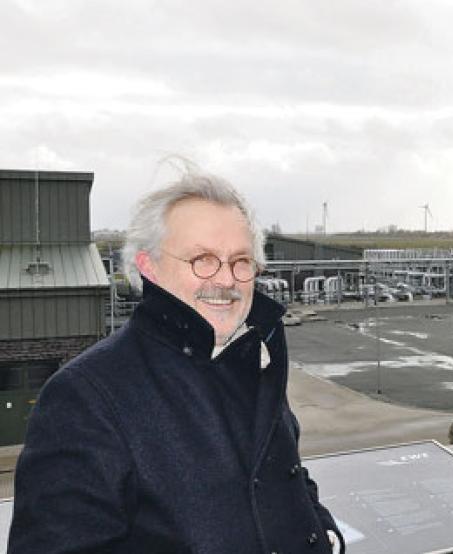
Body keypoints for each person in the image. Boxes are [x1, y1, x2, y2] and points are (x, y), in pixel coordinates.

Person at [10, 170, 345, 553]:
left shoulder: (253, 361)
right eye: (203, 259)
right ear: (148, 267)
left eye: (241, 261)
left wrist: (323, 531)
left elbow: (287, 477)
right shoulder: (85, 397)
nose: (226, 280)